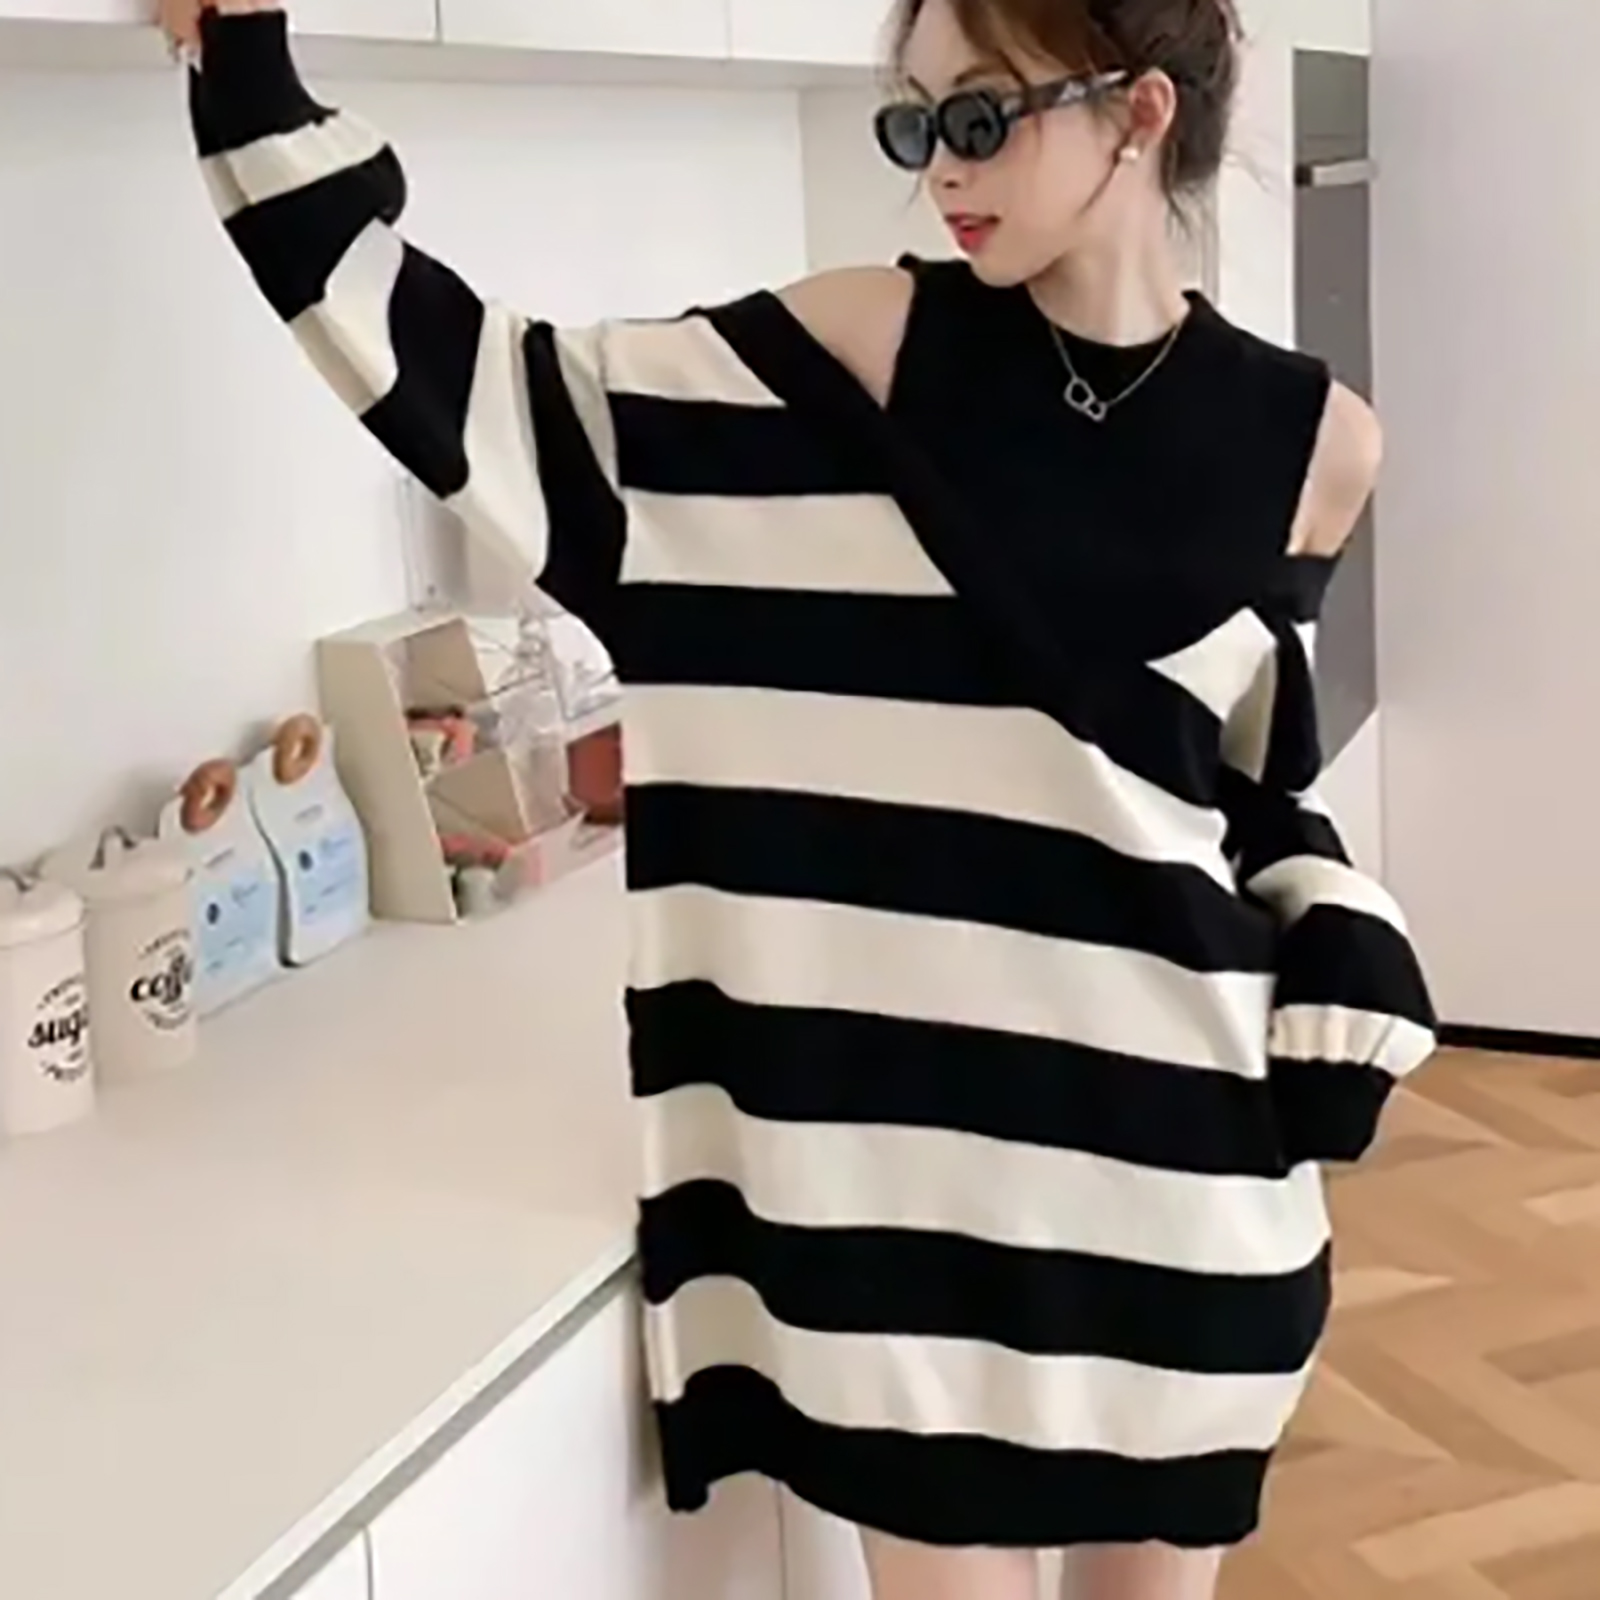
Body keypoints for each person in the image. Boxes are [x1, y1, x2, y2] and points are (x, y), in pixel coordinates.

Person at [160, 0, 1437, 1595]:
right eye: (915, 123)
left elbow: (1240, 794)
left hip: (1184, 1196)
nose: (940, 173)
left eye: (981, 118)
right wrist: (248, 73)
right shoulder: (845, 361)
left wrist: (1340, 918)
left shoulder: (1322, 441)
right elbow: (475, 390)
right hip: (899, 1216)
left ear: (1140, 114)